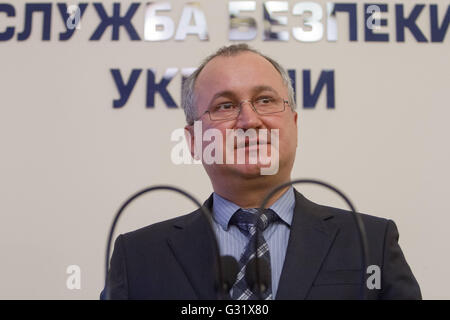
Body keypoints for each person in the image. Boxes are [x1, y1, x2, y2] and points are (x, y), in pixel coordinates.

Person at [102, 44, 421, 300]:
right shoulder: (138, 258)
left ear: (294, 126)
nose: (249, 120)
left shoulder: (371, 243)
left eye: (265, 100)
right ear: (195, 140)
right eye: (225, 106)